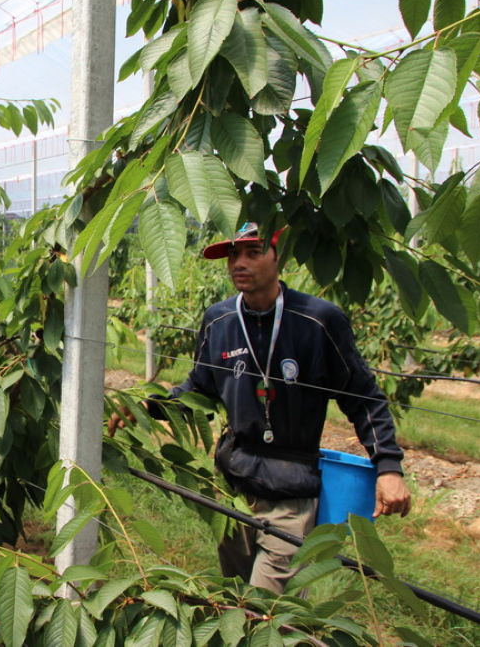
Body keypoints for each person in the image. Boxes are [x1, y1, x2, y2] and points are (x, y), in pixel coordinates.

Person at [110, 222, 411, 594]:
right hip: (234, 487)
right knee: (235, 597)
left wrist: (388, 467)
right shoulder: (219, 320)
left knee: (270, 610)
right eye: (233, 254)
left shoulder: (317, 320)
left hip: (290, 491)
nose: (240, 263)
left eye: (253, 252)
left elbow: (363, 396)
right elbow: (200, 390)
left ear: (278, 257)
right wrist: (148, 407)